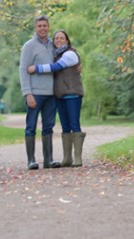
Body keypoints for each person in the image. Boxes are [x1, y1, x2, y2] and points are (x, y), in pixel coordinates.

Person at [28, 29, 85, 167]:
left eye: (61, 38)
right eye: (56, 38)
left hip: (72, 94)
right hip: (59, 95)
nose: (58, 40)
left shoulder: (70, 54)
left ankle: (78, 158)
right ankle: (67, 158)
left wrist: (36, 68)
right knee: (65, 126)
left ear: (67, 40)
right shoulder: (55, 55)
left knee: (74, 124)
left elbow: (55, 67)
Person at [19, 15, 61, 170]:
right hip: (35, 93)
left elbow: (66, 57)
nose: (43, 28)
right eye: (39, 26)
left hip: (51, 93)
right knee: (31, 126)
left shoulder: (53, 45)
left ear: (48, 27)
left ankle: (48, 160)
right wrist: (27, 93)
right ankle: (31, 160)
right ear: (35, 28)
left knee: (48, 126)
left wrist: (77, 66)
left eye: (45, 25)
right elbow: (23, 70)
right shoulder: (29, 46)